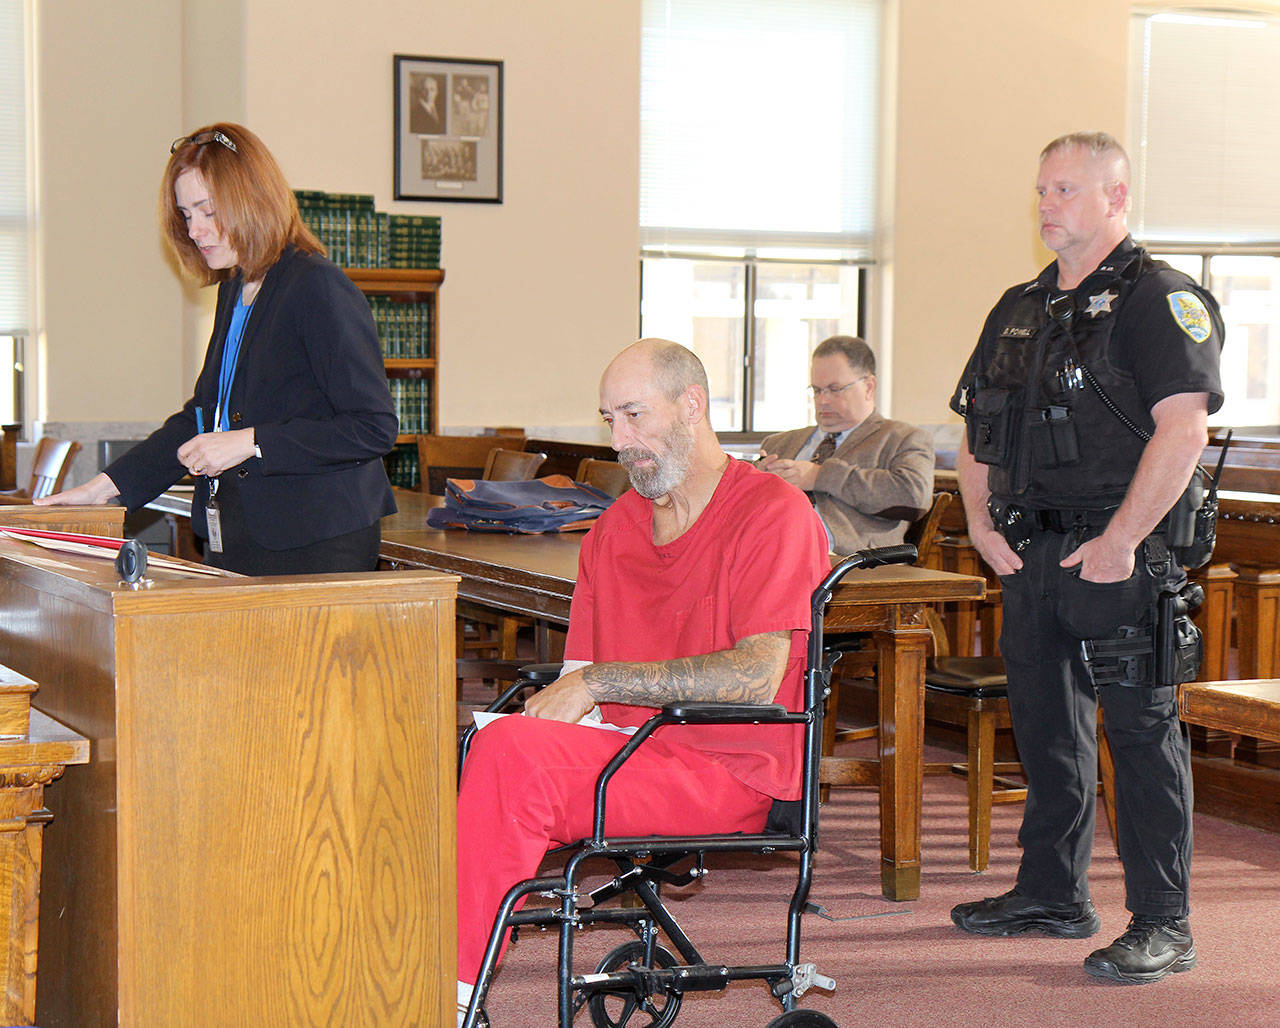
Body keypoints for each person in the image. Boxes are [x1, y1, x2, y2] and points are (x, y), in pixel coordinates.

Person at [454, 338, 831, 1025]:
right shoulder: (612, 530)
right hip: (628, 757)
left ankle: (449, 994)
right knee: (472, 748)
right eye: (609, 421)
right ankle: (415, 962)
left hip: (729, 768)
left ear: (692, 405)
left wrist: (598, 684)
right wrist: (553, 707)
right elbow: (579, 682)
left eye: (634, 416)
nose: (621, 440)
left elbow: (756, 677)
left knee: (508, 757)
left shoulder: (773, 513)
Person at [948, 132, 1223, 984]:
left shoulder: (1160, 299)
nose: (1046, 204)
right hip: (1032, 550)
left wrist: (1123, 542)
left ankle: (1163, 922)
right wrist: (983, 523)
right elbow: (973, 428)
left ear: (1116, 196)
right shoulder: (1019, 306)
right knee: (1048, 732)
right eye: (1040, 190)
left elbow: (1184, 429)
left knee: (1141, 736)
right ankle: (1051, 893)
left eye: (1065, 189)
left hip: (1120, 553)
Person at [37, 123, 399, 575]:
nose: (195, 231)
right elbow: (204, 416)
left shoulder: (316, 287)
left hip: (314, 542)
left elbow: (373, 427)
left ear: (251, 199)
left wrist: (251, 442)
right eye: (187, 215)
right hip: (239, 533)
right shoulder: (234, 290)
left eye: (207, 212)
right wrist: (106, 487)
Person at [758, 335, 934, 553]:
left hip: (849, 564)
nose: (823, 400)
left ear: (869, 386)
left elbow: (913, 496)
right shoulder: (778, 444)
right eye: (816, 390)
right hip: (768, 552)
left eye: (835, 389)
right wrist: (755, 484)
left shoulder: (902, 438)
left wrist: (819, 476)